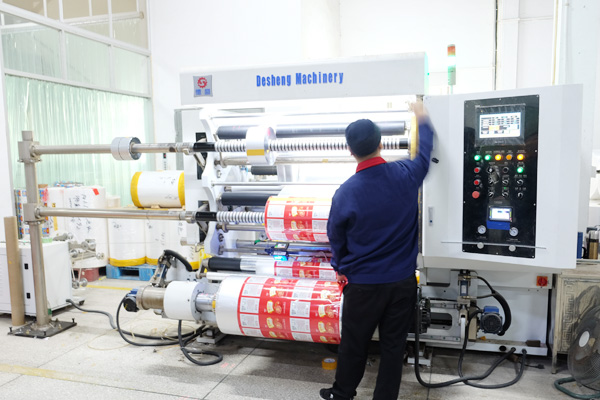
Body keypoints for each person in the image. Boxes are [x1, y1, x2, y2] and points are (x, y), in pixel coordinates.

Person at [320, 103, 434, 400]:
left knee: (354, 343)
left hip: (362, 286)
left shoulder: (346, 192)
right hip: (402, 283)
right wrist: (422, 118)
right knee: (393, 347)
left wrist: (340, 268)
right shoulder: (406, 174)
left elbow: (335, 236)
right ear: (381, 143)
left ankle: (342, 393)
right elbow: (425, 154)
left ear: (350, 150)